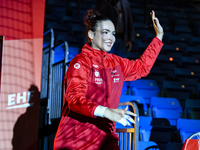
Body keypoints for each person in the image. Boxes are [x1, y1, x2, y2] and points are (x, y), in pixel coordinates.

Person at [53, 9, 164, 150]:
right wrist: (106, 111)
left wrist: (158, 37)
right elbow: (74, 99)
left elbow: (142, 68)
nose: (111, 38)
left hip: (106, 137)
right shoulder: (81, 62)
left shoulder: (116, 62)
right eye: (105, 32)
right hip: (77, 140)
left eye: (113, 34)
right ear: (91, 35)